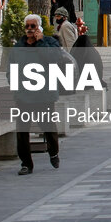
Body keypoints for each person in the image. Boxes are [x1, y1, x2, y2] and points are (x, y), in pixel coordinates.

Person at [9, 14, 71, 174]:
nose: (30, 29)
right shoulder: (18, 47)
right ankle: (26, 164)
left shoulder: (49, 43)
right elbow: (11, 70)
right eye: (28, 26)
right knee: (22, 131)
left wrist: (41, 41)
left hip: (44, 96)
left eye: (33, 26)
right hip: (23, 96)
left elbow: (55, 59)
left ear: (39, 28)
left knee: (49, 128)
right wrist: (15, 88)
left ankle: (53, 153)